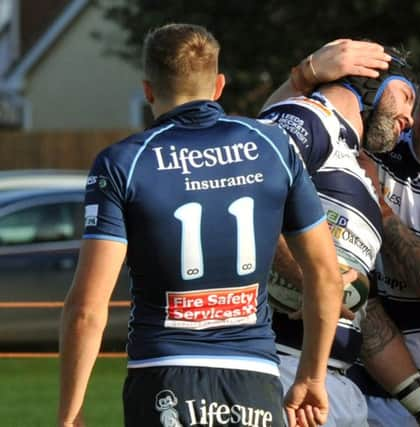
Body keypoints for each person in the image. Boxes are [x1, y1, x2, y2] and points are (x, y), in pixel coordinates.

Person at [57, 23, 344, 427]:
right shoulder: (272, 146)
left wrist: (71, 414)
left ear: (148, 90)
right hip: (255, 380)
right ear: (219, 86)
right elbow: (326, 277)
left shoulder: (124, 162)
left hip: (163, 375)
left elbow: (87, 308)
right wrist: (312, 377)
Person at [261, 40, 420, 426]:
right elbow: (246, 197)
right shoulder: (309, 117)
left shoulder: (356, 165)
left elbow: (360, 315)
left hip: (336, 382)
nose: (412, 117)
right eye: (406, 95)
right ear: (368, 85)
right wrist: (311, 281)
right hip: (285, 369)